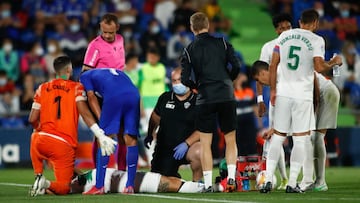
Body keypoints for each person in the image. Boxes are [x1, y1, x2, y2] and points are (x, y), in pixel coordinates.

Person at [261, 9, 342, 193]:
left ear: (299, 22)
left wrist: (273, 90)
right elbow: (320, 67)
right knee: (300, 140)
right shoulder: (316, 40)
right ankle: (291, 184)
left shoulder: (284, 36)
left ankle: (267, 180)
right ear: (315, 24)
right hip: (302, 95)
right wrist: (334, 62)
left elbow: (273, 64)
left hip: (282, 93)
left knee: (278, 138)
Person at [28, 56, 116, 196]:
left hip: (40, 140)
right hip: (62, 144)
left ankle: (38, 175)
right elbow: (85, 113)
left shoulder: (42, 88)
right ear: (69, 69)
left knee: (34, 138)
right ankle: (45, 183)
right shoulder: (76, 88)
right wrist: (100, 133)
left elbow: (32, 118)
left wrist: (38, 129)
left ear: (55, 71)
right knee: (64, 188)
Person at [251, 60, 340, 192]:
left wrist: (315, 103)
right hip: (310, 97)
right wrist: (275, 128)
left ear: (264, 72)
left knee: (313, 138)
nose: (262, 84)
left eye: (260, 79)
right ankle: (310, 181)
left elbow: (313, 76)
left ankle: (314, 181)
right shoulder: (277, 82)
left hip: (324, 92)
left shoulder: (281, 72)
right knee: (309, 138)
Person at [180, 12, 241, 192]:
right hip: (226, 94)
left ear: (192, 28)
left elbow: (185, 78)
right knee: (230, 139)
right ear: (208, 25)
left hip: (205, 95)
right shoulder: (222, 43)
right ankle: (230, 179)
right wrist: (228, 81)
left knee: (206, 142)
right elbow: (236, 66)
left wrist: (195, 87)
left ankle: (207, 184)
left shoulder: (189, 49)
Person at [80, 68, 140, 194]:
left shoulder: (84, 77)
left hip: (114, 96)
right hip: (134, 95)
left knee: (105, 137)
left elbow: (91, 96)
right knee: (130, 138)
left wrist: (101, 120)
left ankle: (99, 186)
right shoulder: (115, 72)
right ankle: (129, 185)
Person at [82, 13, 128, 174]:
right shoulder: (95, 46)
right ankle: (98, 172)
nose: (107, 35)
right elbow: (85, 71)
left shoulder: (121, 39)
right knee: (103, 134)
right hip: (102, 97)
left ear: (117, 28)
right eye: (104, 32)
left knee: (123, 133)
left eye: (110, 32)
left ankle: (121, 171)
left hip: (119, 94)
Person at [144, 67, 202, 181]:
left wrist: (186, 143)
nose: (177, 84)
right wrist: (150, 134)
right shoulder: (165, 98)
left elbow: (203, 129)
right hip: (165, 149)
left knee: (199, 151)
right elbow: (154, 118)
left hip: (188, 148)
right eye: (174, 81)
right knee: (160, 181)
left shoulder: (198, 101)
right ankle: (174, 177)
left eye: (180, 80)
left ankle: (197, 183)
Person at [257, 13, 293, 190]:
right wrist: (260, 100)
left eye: (289, 27)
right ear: (277, 29)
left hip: (297, 96)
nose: (286, 30)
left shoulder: (298, 44)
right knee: (275, 138)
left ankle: (309, 178)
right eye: (283, 28)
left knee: (300, 137)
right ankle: (285, 178)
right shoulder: (269, 47)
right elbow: (259, 74)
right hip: (276, 98)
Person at [70, 168, 205, 194]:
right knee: (172, 184)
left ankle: (206, 186)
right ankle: (216, 188)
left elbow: (73, 169)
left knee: (173, 180)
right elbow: (61, 189)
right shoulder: (71, 185)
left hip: (125, 176)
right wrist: (47, 185)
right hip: (123, 182)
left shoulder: (78, 177)